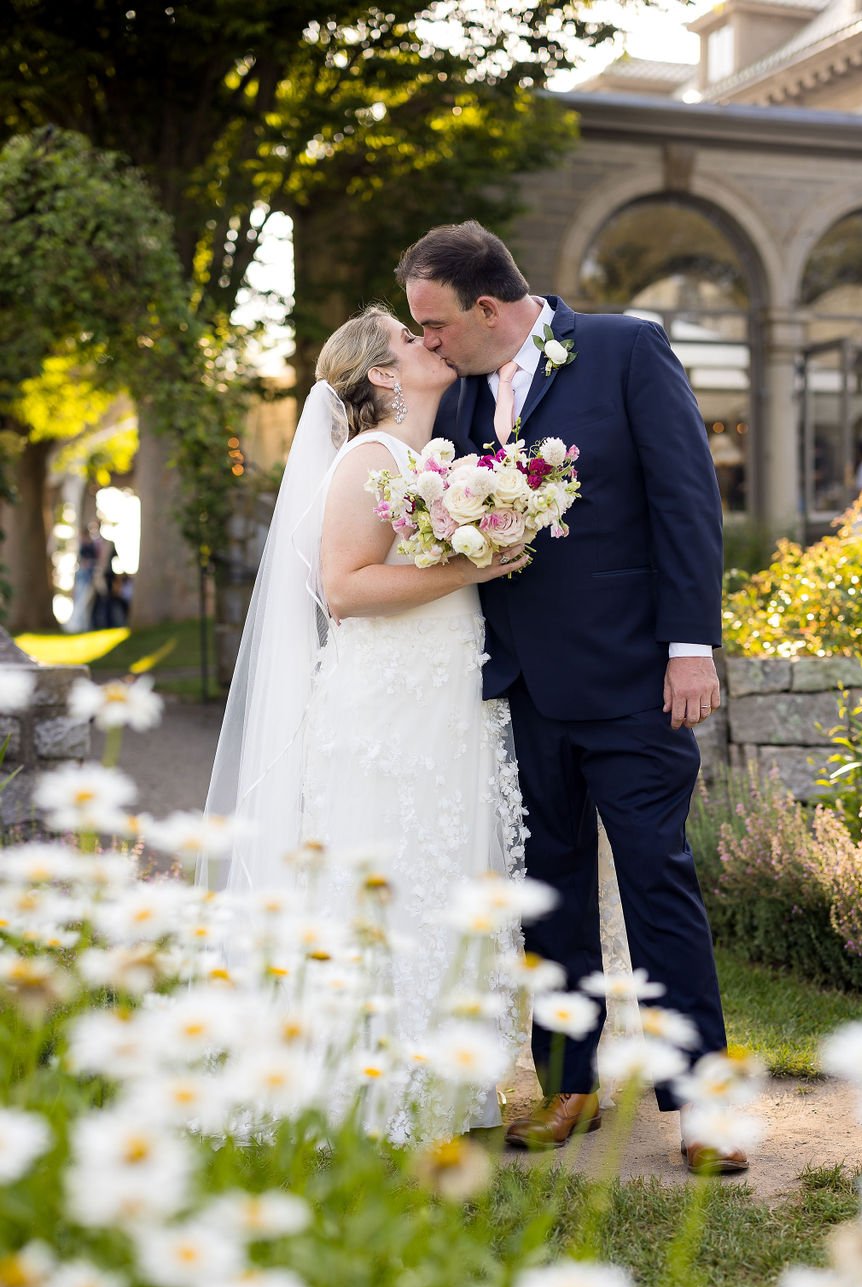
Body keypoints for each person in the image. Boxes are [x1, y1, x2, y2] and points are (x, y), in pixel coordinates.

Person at [398, 222, 744, 1173]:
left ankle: (702, 1102)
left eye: (434, 324)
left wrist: (690, 646)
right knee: (548, 898)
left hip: (636, 682)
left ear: (487, 308)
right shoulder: (460, 393)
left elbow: (686, 500)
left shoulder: (626, 349)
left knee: (655, 884)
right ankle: (570, 1087)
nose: (425, 342)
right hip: (522, 687)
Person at [204, 305, 530, 1143]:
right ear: (382, 374)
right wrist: (475, 563)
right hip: (387, 707)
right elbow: (345, 591)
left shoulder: (427, 458)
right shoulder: (370, 458)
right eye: (408, 337)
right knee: (388, 868)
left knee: (441, 866)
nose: (430, 340)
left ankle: (442, 1076)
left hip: (442, 696)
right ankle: (368, 1082)